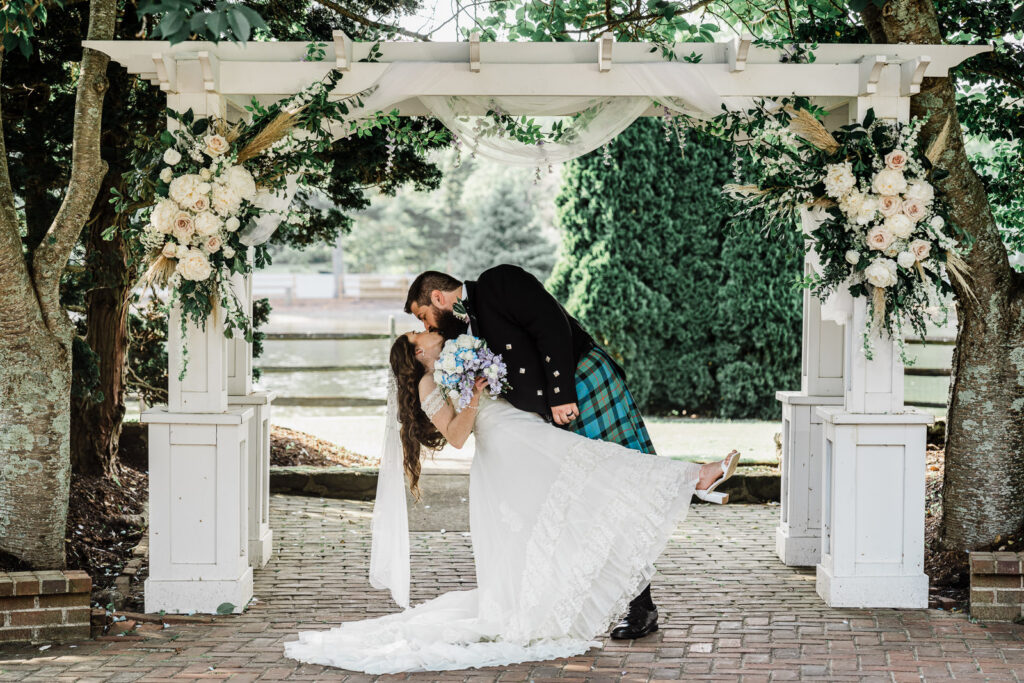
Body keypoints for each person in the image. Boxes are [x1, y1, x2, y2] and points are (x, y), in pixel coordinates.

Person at [282, 329, 740, 674]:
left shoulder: (458, 354)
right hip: (505, 448)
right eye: (417, 333)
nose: (426, 329)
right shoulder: (425, 386)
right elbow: (458, 437)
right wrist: (475, 394)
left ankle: (693, 478)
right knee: (593, 465)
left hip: (521, 434)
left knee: (591, 470)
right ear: (417, 352)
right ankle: (696, 477)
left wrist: (485, 381)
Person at [405, 266, 728, 638]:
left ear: (438, 298)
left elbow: (551, 324)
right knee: (596, 497)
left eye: (423, 316)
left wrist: (561, 395)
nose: (428, 327)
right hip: (549, 418)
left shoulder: (499, 283)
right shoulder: (460, 332)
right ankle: (645, 595)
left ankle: (645, 595)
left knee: (615, 481)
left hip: (581, 383)